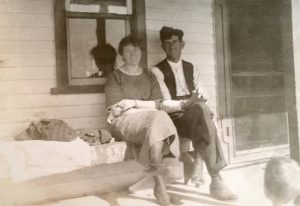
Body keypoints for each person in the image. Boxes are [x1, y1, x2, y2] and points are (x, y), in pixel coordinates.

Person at [105, 35, 203, 205]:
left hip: (150, 120)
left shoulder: (149, 76)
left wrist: (134, 104)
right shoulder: (115, 77)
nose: (133, 54)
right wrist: (147, 106)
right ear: (121, 55)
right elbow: (116, 109)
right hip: (123, 121)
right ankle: (166, 178)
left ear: (141, 52)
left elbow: (159, 103)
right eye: (128, 51)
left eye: (136, 50)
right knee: (160, 118)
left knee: (160, 118)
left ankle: (159, 185)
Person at [151, 26, 238, 201]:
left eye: (175, 42)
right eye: (167, 44)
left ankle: (202, 166)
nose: (171, 47)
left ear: (182, 44)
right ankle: (213, 177)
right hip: (175, 117)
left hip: (195, 114)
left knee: (204, 111)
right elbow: (166, 104)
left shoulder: (192, 67)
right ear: (162, 46)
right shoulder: (157, 71)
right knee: (203, 113)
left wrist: (203, 106)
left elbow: (203, 93)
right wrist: (189, 103)